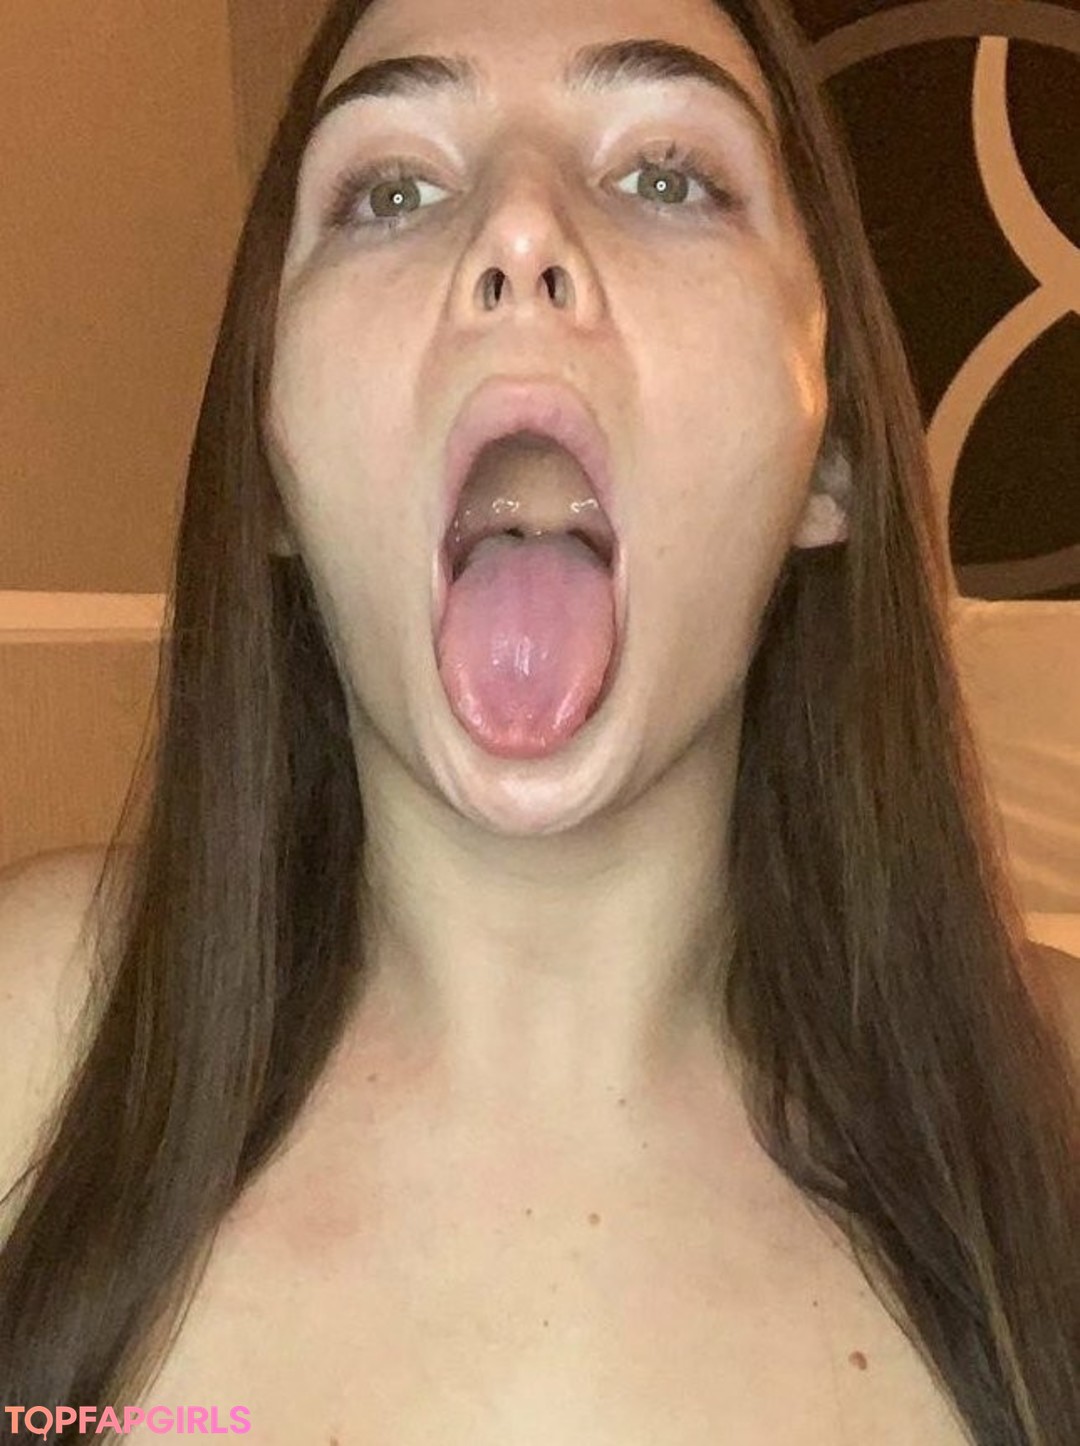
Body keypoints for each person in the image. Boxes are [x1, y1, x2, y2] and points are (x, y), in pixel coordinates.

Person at [0, 0, 1076, 1442]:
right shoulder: (35, 1039)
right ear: (270, 474)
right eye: (391, 189)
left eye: (667, 175)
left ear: (830, 463)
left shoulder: (1060, 1112)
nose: (518, 229)